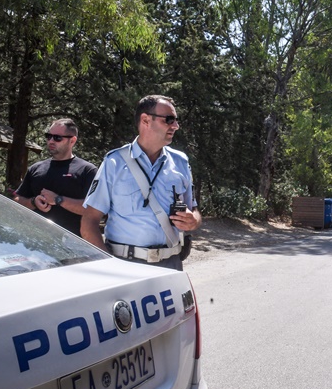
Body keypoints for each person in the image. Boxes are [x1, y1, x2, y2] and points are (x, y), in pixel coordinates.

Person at [81, 95, 201, 270]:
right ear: (145, 120)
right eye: (169, 120)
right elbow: (89, 222)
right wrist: (109, 266)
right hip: (124, 265)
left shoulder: (180, 161)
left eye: (175, 120)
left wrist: (194, 221)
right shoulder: (114, 162)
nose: (176, 126)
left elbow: (195, 211)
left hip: (171, 265)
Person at [14, 119, 97, 237]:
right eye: (49, 136)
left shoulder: (87, 170)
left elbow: (93, 210)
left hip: (73, 246)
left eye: (57, 138)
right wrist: (33, 202)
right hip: (34, 242)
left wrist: (58, 199)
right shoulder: (35, 168)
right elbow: (17, 200)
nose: (51, 141)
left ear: (72, 141)